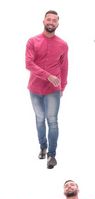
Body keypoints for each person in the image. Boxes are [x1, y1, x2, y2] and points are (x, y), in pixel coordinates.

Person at [26, 10, 68, 169]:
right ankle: (42, 146)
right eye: (48, 19)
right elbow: (28, 64)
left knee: (53, 121)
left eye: (54, 20)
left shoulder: (63, 44)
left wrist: (62, 86)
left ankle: (52, 155)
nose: (51, 22)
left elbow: (64, 67)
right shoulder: (32, 41)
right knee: (39, 118)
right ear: (43, 21)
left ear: (58, 23)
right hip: (35, 88)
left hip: (53, 90)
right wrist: (48, 76)